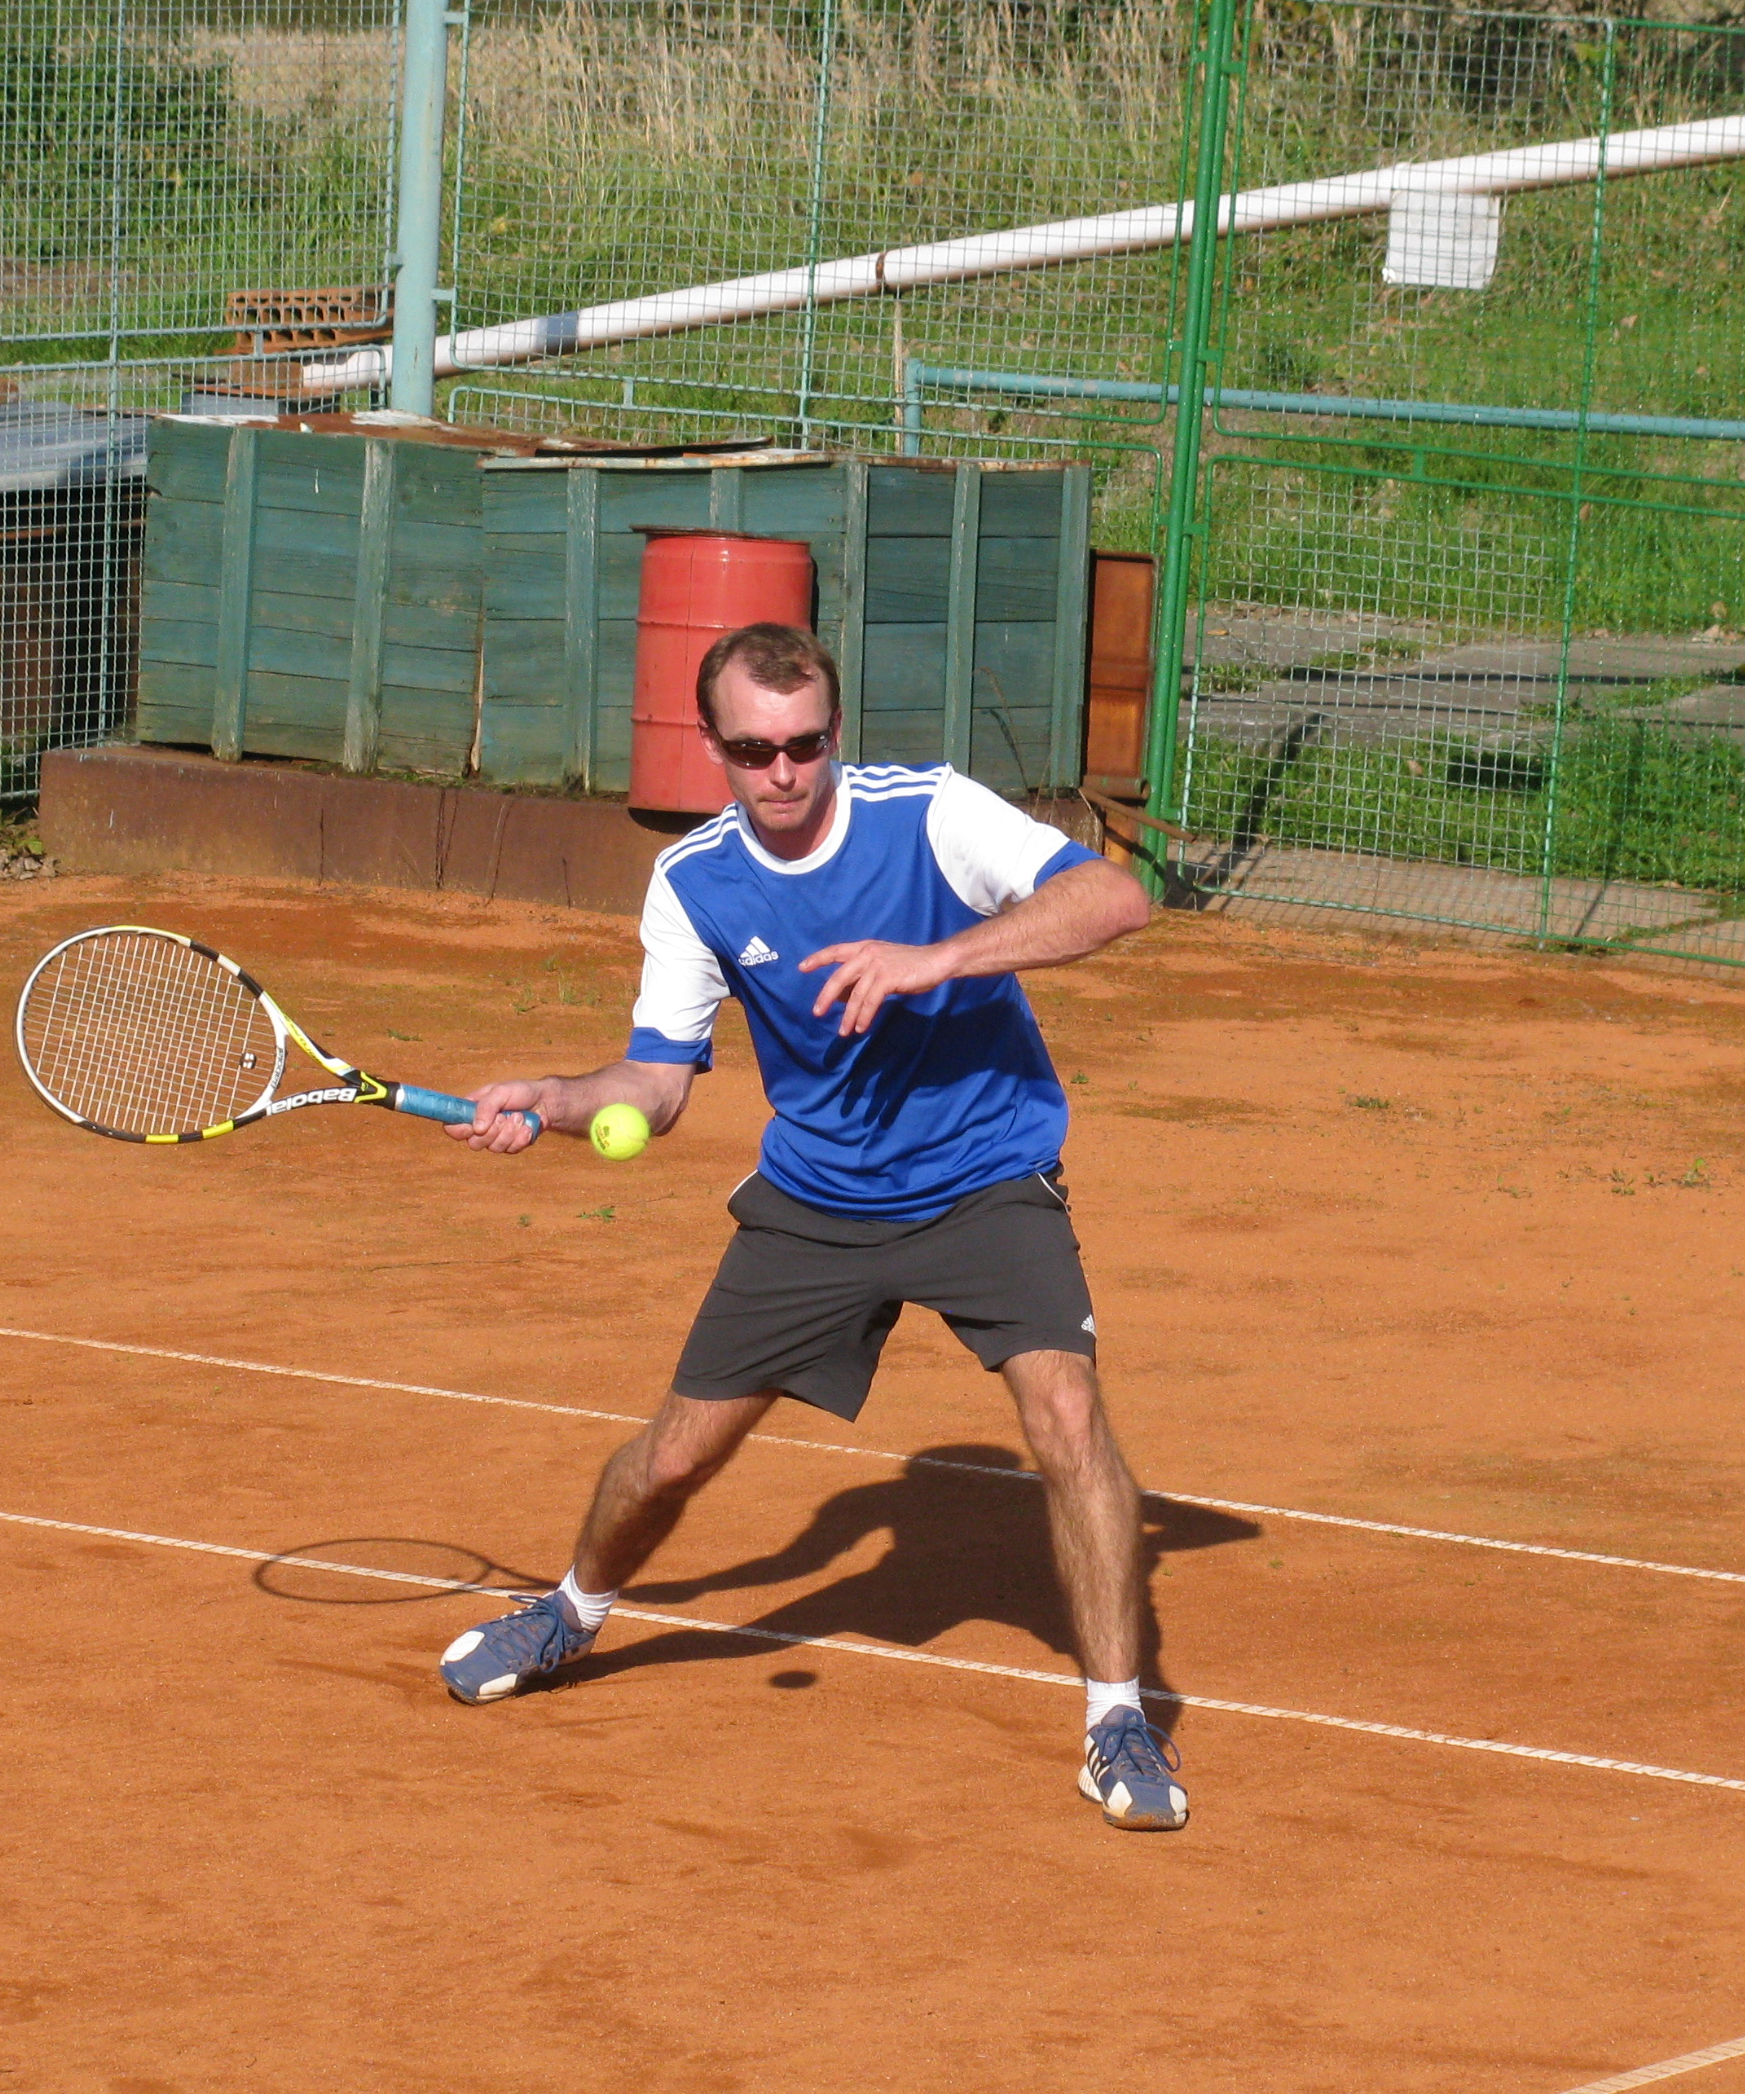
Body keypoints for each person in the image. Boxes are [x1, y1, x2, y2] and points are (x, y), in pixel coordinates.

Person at [435, 621, 1184, 1831]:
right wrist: (561, 1103)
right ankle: (570, 1610)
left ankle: (1115, 1719)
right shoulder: (694, 884)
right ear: (713, 749)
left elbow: (1115, 900)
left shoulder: (928, 812)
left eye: (805, 745)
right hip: (819, 1202)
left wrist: (930, 961)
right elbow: (658, 1086)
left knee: (1066, 1414)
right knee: (675, 1457)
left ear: (833, 732)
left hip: (982, 1174)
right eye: (753, 751)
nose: (783, 774)